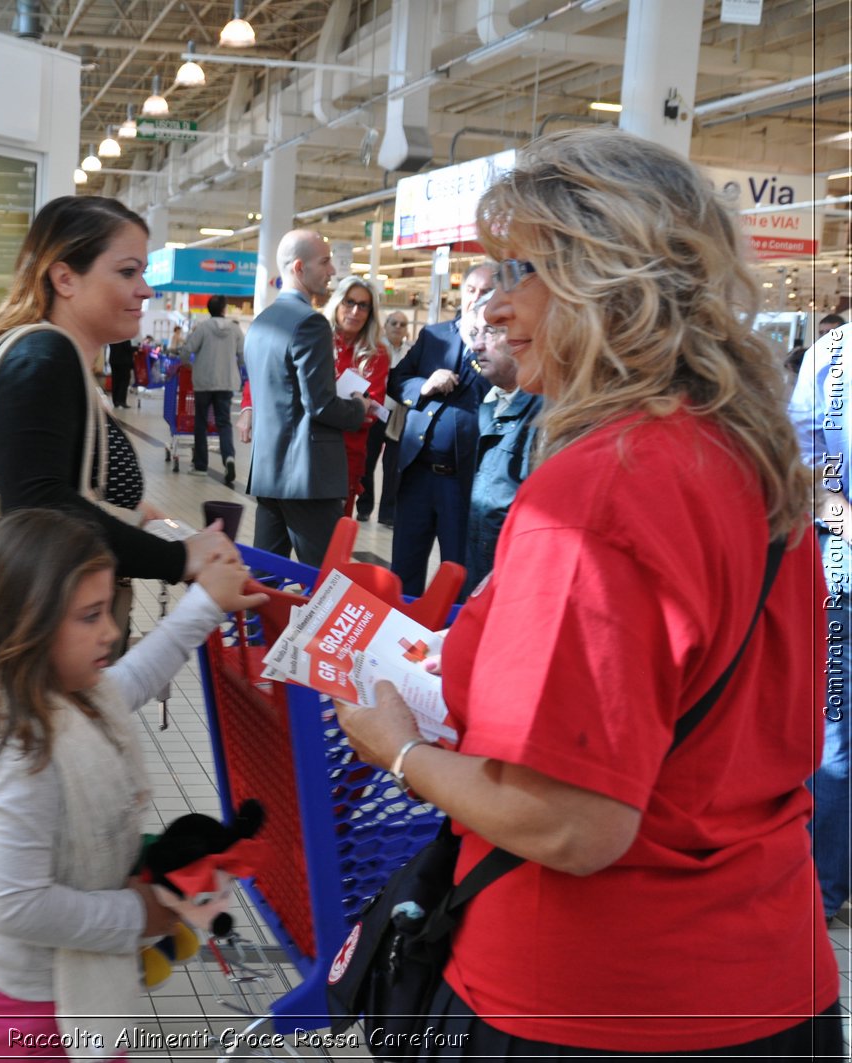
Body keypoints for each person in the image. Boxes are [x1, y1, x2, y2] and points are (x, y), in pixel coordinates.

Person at [337, 128, 842, 1057]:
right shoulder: (752, 459)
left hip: (592, 1000)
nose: (492, 305)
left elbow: (569, 820)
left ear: (609, 280)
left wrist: (400, 750)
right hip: (771, 979)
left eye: (520, 269)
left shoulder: (601, 488)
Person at [0, 195, 236, 1055]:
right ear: (65, 275)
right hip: (11, 649)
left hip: (11, 643)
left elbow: (66, 497)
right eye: (125, 271)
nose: (142, 289)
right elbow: (41, 510)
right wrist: (179, 564)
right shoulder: (45, 358)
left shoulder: (56, 359)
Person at [0, 509, 265, 1060]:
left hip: (54, 998)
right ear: (26, 627)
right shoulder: (19, 753)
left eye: (108, 608)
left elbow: (132, 678)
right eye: (90, 616)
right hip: (16, 1014)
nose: (110, 630)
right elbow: (16, 906)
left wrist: (205, 605)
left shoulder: (72, 693)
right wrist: (139, 915)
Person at [240, 230, 367, 566]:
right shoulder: (310, 323)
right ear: (299, 267)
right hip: (307, 478)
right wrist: (358, 408)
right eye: (324, 262)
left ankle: (262, 622)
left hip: (269, 474)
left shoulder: (260, 323)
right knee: (328, 581)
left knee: (265, 576)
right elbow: (320, 404)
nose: (332, 271)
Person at [789, 326, 851, 925]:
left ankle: (825, 893)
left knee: (837, 739)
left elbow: (805, 469)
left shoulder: (829, 355)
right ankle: (826, 889)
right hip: (840, 575)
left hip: (839, 566)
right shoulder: (829, 356)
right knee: (834, 741)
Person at [387, 262, 497, 595]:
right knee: (403, 570)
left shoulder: (501, 346)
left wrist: (481, 341)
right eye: (471, 290)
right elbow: (397, 380)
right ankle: (397, 638)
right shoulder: (434, 336)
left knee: (459, 574)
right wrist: (424, 385)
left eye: (487, 292)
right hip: (417, 474)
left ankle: (450, 641)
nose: (476, 298)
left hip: (463, 481)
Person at [461, 293, 541, 594]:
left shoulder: (541, 414)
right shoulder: (491, 406)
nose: (477, 345)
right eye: (474, 334)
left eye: (491, 331)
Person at [324, 277, 390, 519]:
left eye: (363, 305)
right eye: (349, 302)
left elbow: (370, 413)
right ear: (337, 302)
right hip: (310, 451)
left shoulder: (377, 354)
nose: (354, 311)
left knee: (332, 542)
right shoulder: (317, 340)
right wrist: (352, 407)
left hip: (347, 458)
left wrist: (332, 408)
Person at [183, 294, 245, 486]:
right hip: (226, 383)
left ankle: (201, 466)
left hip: (204, 382)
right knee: (224, 422)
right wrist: (239, 371)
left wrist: (187, 365)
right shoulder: (235, 329)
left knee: (201, 423)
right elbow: (242, 355)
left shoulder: (203, 327)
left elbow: (187, 349)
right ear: (224, 309)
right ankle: (229, 457)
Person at [359, 309, 413, 523]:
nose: (398, 328)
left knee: (392, 466)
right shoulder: (376, 349)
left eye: (402, 324)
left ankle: (388, 513)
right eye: (394, 323)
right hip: (376, 411)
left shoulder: (409, 352)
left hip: (397, 415)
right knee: (368, 461)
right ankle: (364, 506)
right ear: (386, 325)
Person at [107, 334, 135, 408]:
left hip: (113, 360)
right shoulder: (124, 335)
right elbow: (127, 348)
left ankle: (115, 401)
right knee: (124, 381)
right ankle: (121, 401)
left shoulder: (112, 336)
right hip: (123, 361)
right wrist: (136, 349)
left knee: (115, 380)